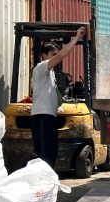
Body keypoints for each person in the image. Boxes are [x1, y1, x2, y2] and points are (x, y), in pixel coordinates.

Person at [30, 26, 86, 168]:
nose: (56, 57)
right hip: (41, 116)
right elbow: (61, 56)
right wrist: (76, 38)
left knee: (51, 153)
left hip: (49, 116)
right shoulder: (41, 67)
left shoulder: (52, 73)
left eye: (56, 54)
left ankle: (47, 183)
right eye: (53, 54)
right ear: (44, 55)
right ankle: (41, 184)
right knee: (44, 155)